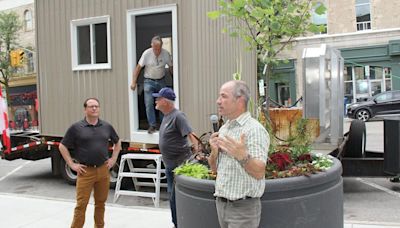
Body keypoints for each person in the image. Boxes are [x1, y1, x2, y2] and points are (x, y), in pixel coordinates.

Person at [208, 80, 269, 228]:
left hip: (243, 208)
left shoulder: (254, 130)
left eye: (223, 96)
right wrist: (214, 154)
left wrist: (242, 156)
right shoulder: (225, 129)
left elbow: (259, 172)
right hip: (222, 204)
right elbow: (215, 170)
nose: (218, 101)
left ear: (240, 100)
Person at [59, 98, 121, 228]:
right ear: (85, 109)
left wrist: (113, 159)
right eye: (91, 106)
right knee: (81, 205)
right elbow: (62, 146)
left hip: (103, 171)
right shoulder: (76, 127)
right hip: (85, 171)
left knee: (100, 203)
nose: (94, 109)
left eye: (96, 106)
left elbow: (117, 142)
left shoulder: (106, 126)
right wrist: (72, 164)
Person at [152, 87, 198, 228]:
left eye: (158, 98)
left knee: (176, 198)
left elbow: (191, 134)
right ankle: (176, 224)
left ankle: (181, 224)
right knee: (172, 198)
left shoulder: (178, 116)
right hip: (170, 165)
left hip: (180, 164)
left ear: (165, 101)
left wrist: (197, 152)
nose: (156, 101)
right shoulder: (166, 116)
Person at [131, 35, 173, 134]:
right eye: (155, 48)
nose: (157, 51)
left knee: (163, 103)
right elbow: (138, 68)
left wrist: (174, 80)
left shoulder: (166, 54)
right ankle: (152, 125)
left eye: (159, 49)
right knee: (149, 103)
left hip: (161, 80)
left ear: (161, 46)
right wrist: (133, 82)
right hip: (148, 81)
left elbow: (171, 67)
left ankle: (163, 125)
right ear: (152, 45)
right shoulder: (147, 53)